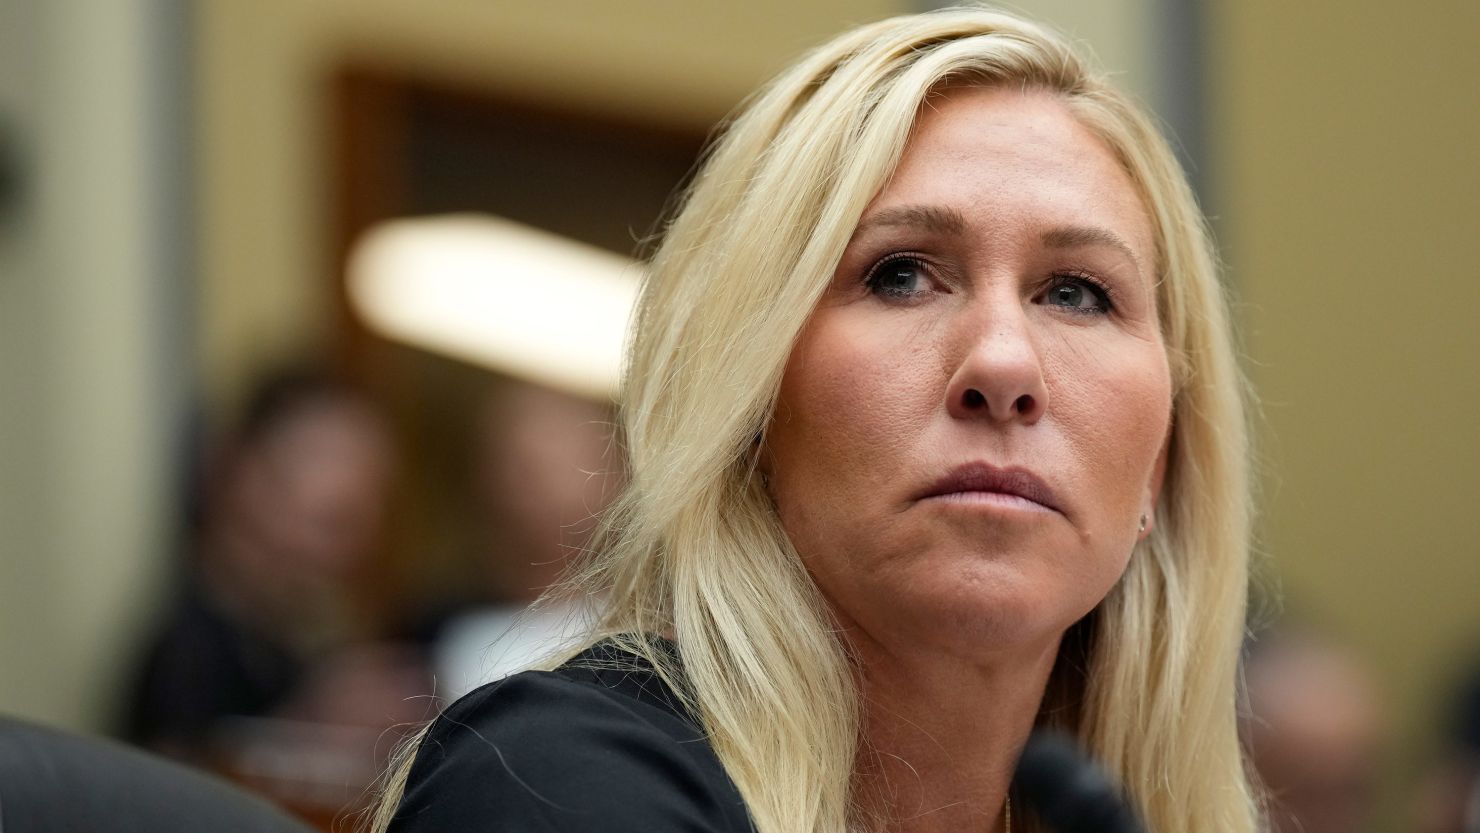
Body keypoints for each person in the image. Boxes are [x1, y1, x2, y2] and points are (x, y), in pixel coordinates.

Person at [369, 8, 1258, 833]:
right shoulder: (553, 784)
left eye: (1076, 292)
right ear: (751, 406)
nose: (1004, 364)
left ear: (1158, 463)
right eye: (900, 274)